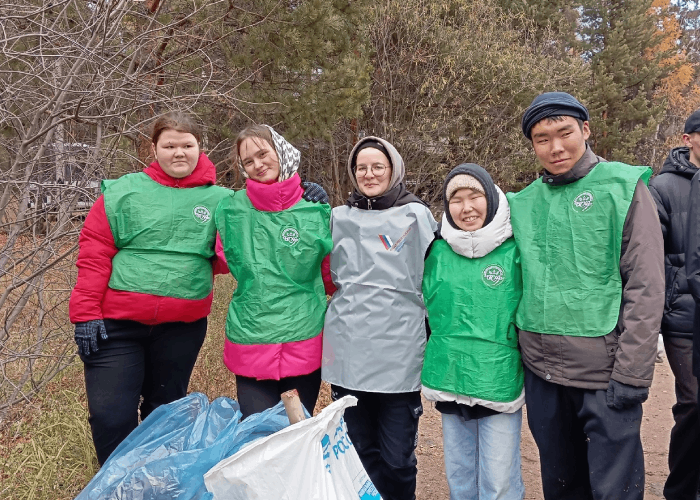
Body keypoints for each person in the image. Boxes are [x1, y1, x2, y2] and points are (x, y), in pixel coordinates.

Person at [506, 92, 664, 500]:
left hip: (604, 370)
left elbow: (645, 285)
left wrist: (632, 372)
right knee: (560, 482)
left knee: (614, 488)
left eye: (565, 133)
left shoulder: (622, 188)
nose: (555, 147)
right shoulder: (522, 203)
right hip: (542, 371)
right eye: (542, 139)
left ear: (586, 130)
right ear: (533, 145)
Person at [69, 111, 230, 465]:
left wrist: (304, 193)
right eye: (169, 145)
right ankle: (117, 486)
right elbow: (94, 253)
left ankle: (156, 481)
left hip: (181, 329)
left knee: (166, 411)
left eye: (187, 145)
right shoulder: (124, 191)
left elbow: (239, 249)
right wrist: (85, 313)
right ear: (153, 149)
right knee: (111, 415)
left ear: (200, 148)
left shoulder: (223, 200)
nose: (178, 153)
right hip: (117, 326)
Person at [322, 137, 438, 500]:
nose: (369, 174)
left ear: (394, 169)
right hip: (348, 347)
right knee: (357, 451)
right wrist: (302, 197)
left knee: (398, 458)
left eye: (378, 167)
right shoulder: (337, 217)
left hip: (399, 351)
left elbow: (438, 278)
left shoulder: (416, 216)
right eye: (361, 168)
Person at [215, 125, 334, 419]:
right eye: (248, 162)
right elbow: (219, 258)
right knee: (259, 439)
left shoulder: (315, 209)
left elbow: (330, 276)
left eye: (262, 154)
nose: (257, 165)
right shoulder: (231, 210)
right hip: (252, 335)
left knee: (296, 436)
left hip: (304, 335)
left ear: (281, 151)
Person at [421, 163, 525, 500]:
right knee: (460, 476)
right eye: (456, 199)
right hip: (451, 373)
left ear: (491, 198)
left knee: (497, 481)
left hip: (498, 377)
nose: (466, 208)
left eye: (474, 196)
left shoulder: (515, 248)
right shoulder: (436, 249)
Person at [650, 109, 700, 500]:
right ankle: (681, 490)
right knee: (695, 403)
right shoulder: (663, 186)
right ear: (688, 139)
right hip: (684, 315)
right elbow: (653, 253)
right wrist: (677, 291)